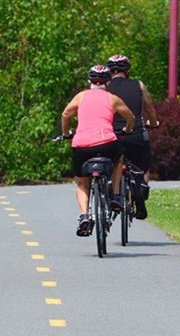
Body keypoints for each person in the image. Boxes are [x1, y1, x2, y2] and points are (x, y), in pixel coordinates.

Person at [61, 65, 136, 237]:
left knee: (82, 182)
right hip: (107, 143)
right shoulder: (112, 99)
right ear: (108, 82)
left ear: (89, 81)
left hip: (82, 146)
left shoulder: (80, 97)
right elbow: (130, 117)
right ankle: (116, 196)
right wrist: (128, 130)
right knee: (119, 159)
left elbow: (65, 114)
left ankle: (84, 216)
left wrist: (66, 133)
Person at [105, 55, 160, 219]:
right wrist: (154, 123)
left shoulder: (105, 88)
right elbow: (150, 108)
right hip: (135, 133)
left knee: (110, 160)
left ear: (109, 71)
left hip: (112, 134)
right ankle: (140, 192)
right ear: (127, 70)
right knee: (143, 163)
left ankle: (108, 188)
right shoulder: (139, 85)